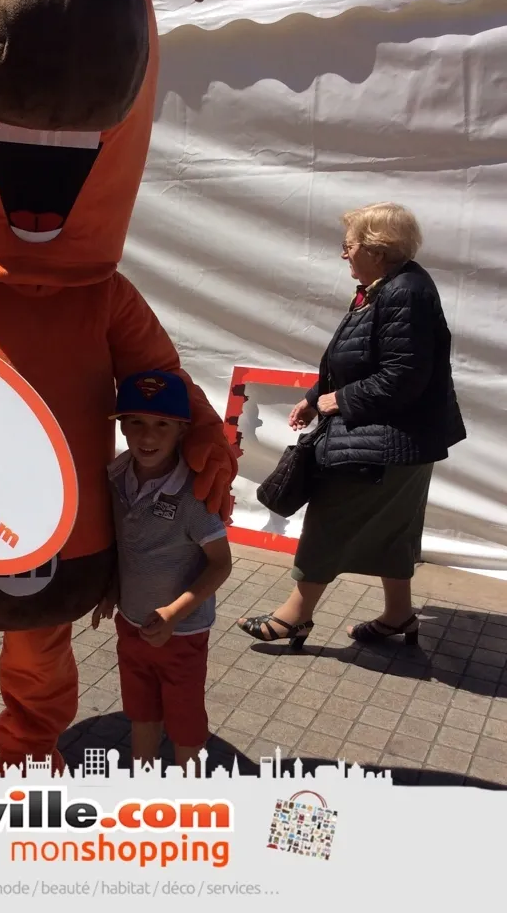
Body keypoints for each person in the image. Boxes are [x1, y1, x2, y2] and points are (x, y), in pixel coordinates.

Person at [238, 202, 466, 649]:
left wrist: (338, 400)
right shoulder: (385, 288)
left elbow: (403, 376)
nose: (344, 254)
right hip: (398, 439)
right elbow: (357, 360)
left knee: (329, 518)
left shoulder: (404, 293)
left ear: (377, 250)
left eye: (350, 245)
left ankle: (296, 616)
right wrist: (313, 399)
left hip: (391, 441)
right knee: (394, 531)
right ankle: (399, 615)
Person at [93, 370, 233, 771]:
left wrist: (174, 613)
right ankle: (144, 781)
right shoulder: (116, 474)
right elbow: (125, 544)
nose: (147, 436)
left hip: (182, 632)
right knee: (141, 710)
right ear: (121, 425)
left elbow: (221, 563)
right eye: (135, 422)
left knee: (184, 718)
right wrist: (111, 590)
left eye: (162, 425)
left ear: (182, 429)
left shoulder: (193, 494)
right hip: (131, 621)